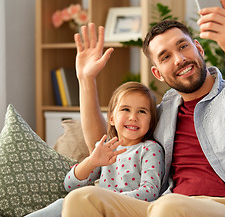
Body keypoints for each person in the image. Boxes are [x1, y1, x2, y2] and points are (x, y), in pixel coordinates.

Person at [62, 0, 225, 217]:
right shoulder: (163, 113)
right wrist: (86, 80)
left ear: (198, 48)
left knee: (169, 206)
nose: (179, 59)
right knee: (82, 199)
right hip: (162, 207)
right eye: (165, 57)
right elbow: (106, 147)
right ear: (158, 73)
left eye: (183, 46)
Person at [27, 82, 164, 217]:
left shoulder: (150, 149)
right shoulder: (105, 148)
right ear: (111, 118)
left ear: (151, 121)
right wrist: (92, 161)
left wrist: (105, 199)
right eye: (125, 109)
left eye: (142, 111)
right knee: (63, 204)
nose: (133, 117)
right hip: (98, 208)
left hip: (127, 210)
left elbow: (150, 191)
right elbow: (70, 184)